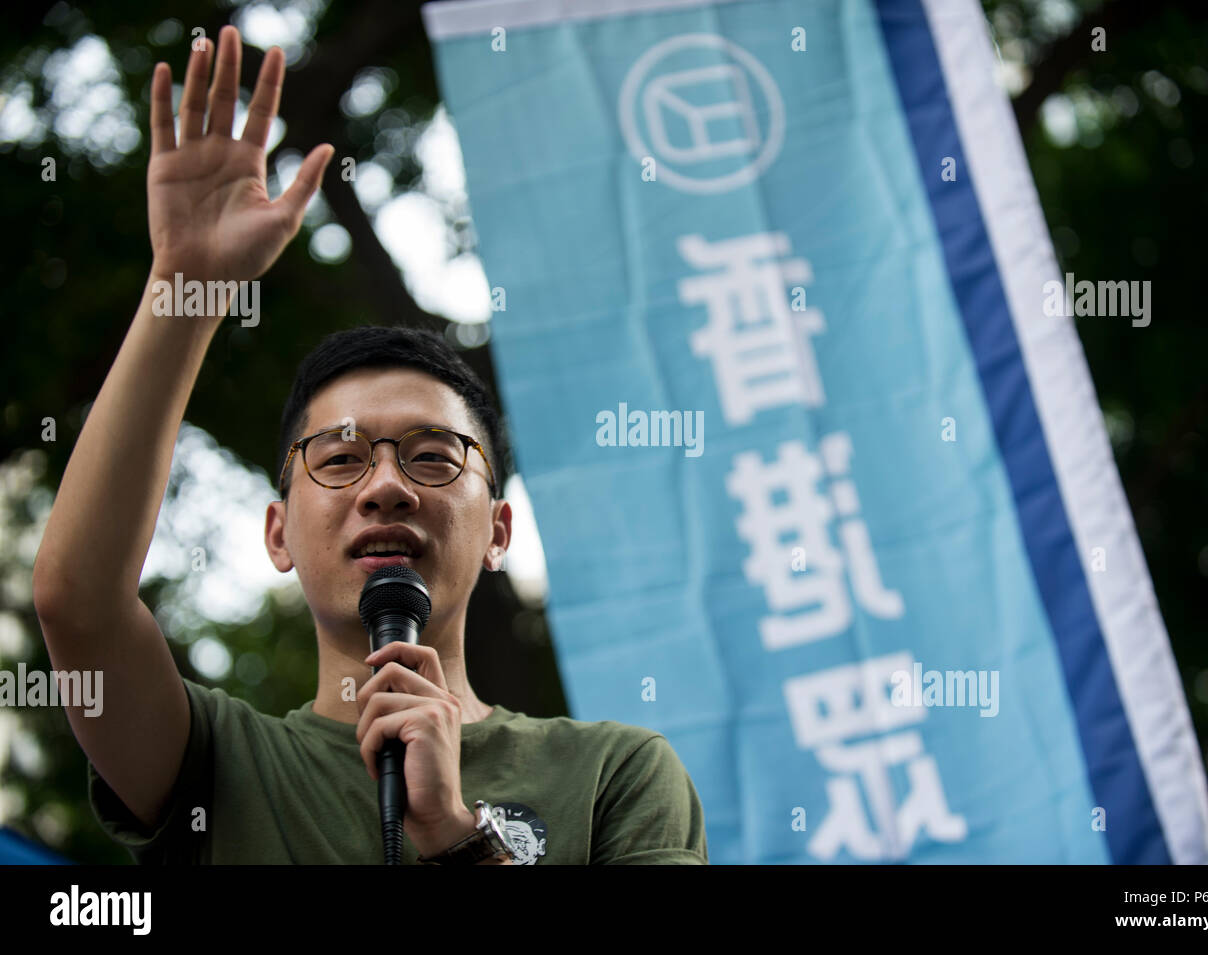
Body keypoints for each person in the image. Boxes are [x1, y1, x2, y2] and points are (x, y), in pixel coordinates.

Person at [32, 25, 707, 865]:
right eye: (342, 459)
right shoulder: (217, 763)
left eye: (431, 457)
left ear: (498, 529)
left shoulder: (616, 772)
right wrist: (184, 284)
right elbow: (77, 602)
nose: (385, 487)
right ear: (277, 531)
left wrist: (458, 840)